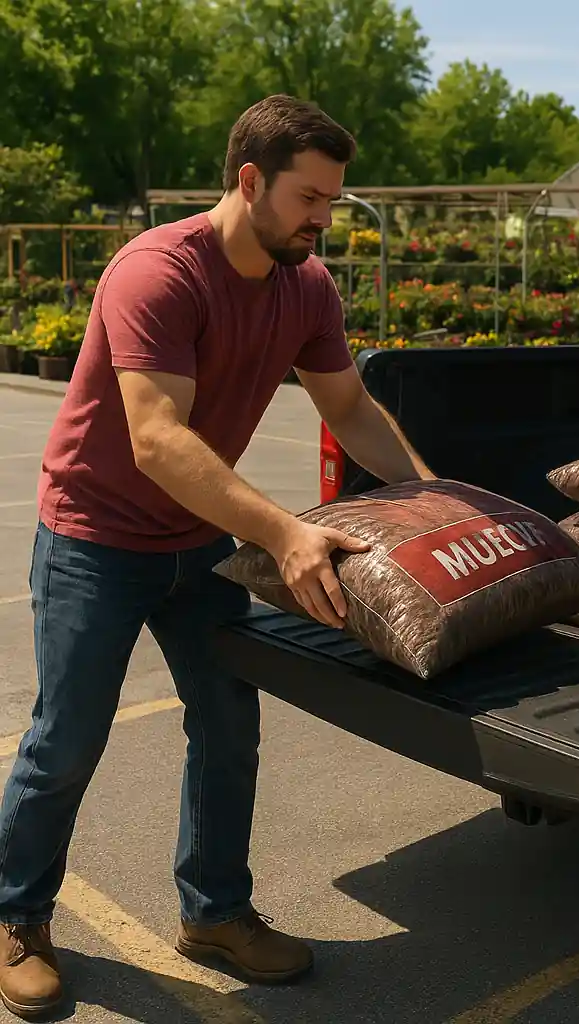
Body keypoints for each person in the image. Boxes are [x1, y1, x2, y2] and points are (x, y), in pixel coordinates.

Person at [0, 94, 434, 1020]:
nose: (324, 219)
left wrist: (433, 499)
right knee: (67, 739)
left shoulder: (306, 287)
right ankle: (18, 915)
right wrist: (281, 531)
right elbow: (156, 438)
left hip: (197, 540)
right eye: (310, 198)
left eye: (331, 199)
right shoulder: (157, 272)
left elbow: (351, 409)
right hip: (95, 536)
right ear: (249, 180)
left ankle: (215, 913)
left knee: (228, 728)